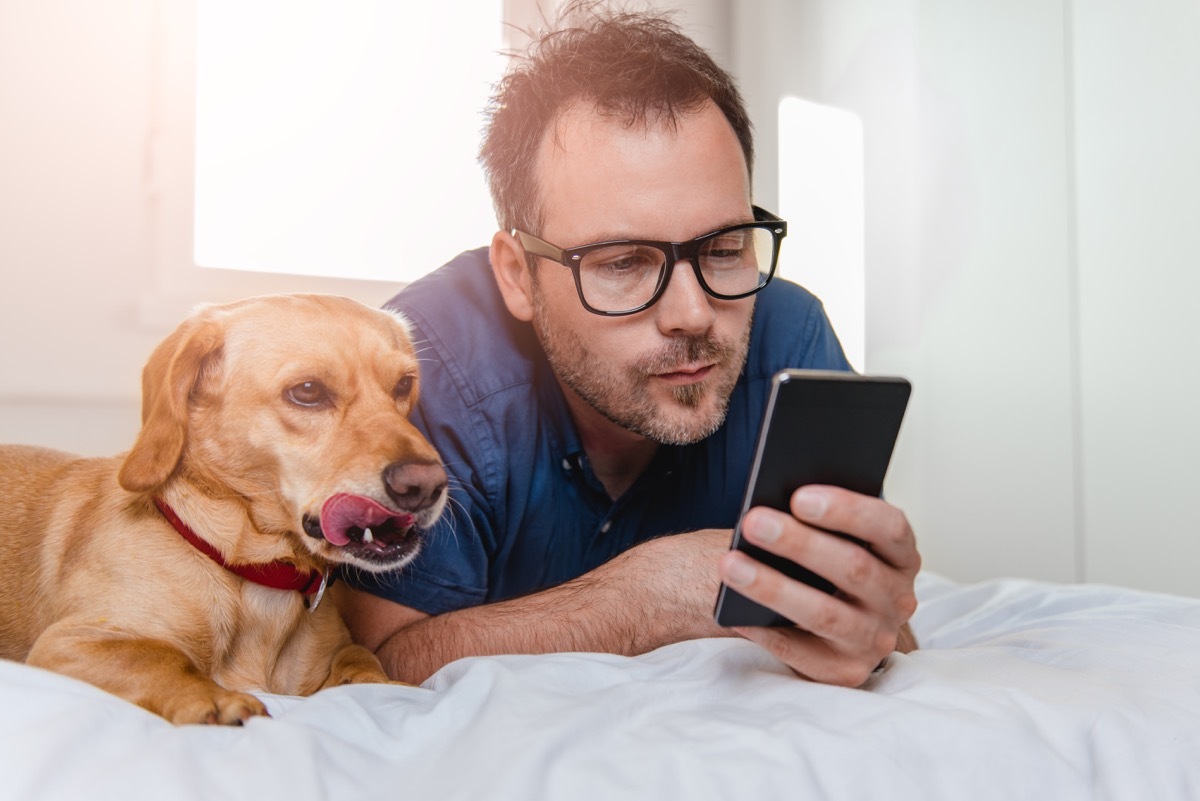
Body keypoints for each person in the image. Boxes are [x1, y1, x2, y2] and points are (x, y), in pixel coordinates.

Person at [333, 3, 920, 687]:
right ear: (518, 276)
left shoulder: (789, 333)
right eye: (622, 263)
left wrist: (873, 614)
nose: (695, 313)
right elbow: (378, 659)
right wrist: (644, 598)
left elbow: (881, 624)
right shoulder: (419, 368)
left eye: (726, 248)